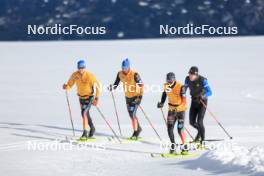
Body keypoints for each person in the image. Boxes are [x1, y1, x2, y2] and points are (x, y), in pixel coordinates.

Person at [63, 60, 101, 140]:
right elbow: (70, 84)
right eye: (79, 68)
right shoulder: (75, 75)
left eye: (83, 67)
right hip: (81, 98)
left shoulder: (90, 76)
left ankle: (85, 132)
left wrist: (96, 98)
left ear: (85, 67)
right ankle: (92, 128)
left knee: (84, 113)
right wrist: (66, 87)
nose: (81, 69)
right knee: (85, 114)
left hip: (89, 97)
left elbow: (98, 87)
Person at [108, 58, 144, 139]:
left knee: (132, 114)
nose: (124, 69)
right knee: (131, 115)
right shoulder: (120, 74)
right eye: (123, 68)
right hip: (127, 98)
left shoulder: (135, 74)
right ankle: (139, 129)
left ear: (129, 67)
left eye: (126, 68)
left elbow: (141, 86)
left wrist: (140, 97)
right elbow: (116, 83)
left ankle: (135, 133)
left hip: (135, 97)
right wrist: (112, 87)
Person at [157, 72, 187, 154]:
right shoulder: (166, 85)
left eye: (171, 80)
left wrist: (177, 108)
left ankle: (185, 147)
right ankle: (173, 145)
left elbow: (184, 101)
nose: (169, 82)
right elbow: (164, 94)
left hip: (180, 111)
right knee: (169, 129)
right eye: (168, 80)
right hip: (171, 111)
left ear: (174, 79)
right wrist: (161, 103)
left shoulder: (181, 87)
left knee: (180, 130)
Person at [184, 66, 212, 143]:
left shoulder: (202, 80)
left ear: (196, 75)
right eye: (190, 74)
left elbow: (210, 92)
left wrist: (203, 96)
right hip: (194, 101)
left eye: (192, 74)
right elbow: (184, 88)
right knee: (192, 122)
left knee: (200, 122)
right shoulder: (187, 79)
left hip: (202, 102)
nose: (190, 76)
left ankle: (202, 140)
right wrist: (182, 93)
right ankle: (200, 132)